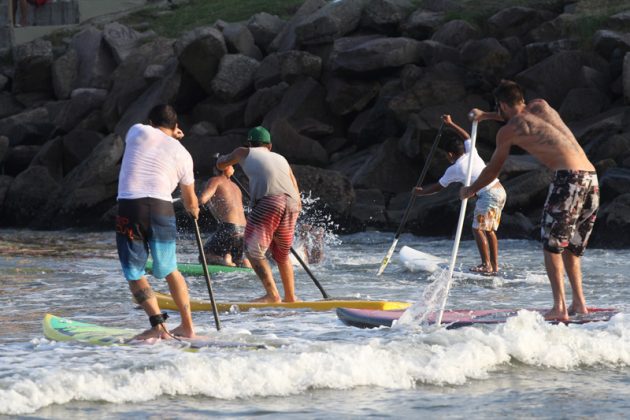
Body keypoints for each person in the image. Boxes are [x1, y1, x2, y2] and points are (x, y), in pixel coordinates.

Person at [460, 80, 599, 321]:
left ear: (502, 104)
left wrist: (471, 189)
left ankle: (559, 308)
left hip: (568, 179)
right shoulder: (541, 106)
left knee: (551, 246)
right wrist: (486, 116)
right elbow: (514, 112)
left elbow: (493, 170)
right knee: (571, 248)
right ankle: (579, 304)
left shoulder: (508, 132)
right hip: (591, 178)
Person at [116, 104, 199, 340]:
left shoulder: (137, 131)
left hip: (132, 206)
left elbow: (156, 135)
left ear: (151, 122)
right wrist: (194, 212)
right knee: (170, 269)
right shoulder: (183, 154)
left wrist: (171, 133)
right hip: (163, 208)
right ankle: (188, 327)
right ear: (175, 127)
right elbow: (191, 201)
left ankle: (158, 326)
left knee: (133, 271)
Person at [216, 126, 302, 303]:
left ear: (249, 143)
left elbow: (221, 163)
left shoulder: (242, 151)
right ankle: (291, 297)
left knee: (252, 251)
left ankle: (272, 295)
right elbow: (294, 184)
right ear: (269, 146)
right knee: (282, 254)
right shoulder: (281, 158)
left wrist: (227, 168)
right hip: (293, 203)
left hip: (270, 202)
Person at [414, 114, 507, 275]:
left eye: (446, 155)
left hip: (489, 194)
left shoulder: (455, 168)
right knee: (489, 230)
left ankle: (486, 265)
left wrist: (420, 192)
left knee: (477, 229)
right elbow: (467, 136)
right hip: (500, 191)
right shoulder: (472, 153)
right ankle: (494, 266)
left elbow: (438, 187)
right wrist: (451, 123)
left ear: (450, 154)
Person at [198, 164, 251, 268]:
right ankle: (241, 261)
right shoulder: (236, 187)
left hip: (229, 229)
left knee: (203, 256)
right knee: (238, 258)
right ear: (230, 170)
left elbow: (203, 199)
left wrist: (190, 203)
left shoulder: (216, 180)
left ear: (215, 170)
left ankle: (224, 260)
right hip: (245, 231)